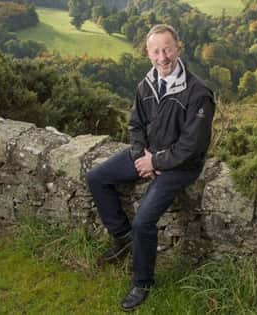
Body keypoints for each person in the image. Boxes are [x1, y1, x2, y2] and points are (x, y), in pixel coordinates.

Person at [86, 24, 215, 311]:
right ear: (147, 53)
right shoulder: (146, 84)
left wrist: (155, 162)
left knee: (144, 220)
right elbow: (135, 125)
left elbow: (191, 147)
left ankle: (142, 282)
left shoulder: (199, 93)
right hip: (148, 153)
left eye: (167, 49)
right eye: (156, 51)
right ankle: (121, 236)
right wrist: (139, 154)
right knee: (96, 177)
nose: (162, 57)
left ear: (178, 48)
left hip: (181, 167)